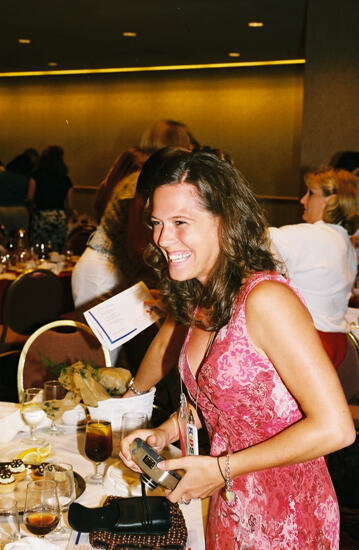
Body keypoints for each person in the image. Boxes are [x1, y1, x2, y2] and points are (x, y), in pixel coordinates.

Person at [119, 149, 355, 549]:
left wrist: (221, 468)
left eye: (180, 222)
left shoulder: (266, 300)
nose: (161, 238)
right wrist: (163, 432)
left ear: (226, 220)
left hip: (288, 513)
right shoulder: (201, 296)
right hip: (230, 502)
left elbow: (336, 428)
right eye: (157, 223)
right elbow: (217, 401)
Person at [269, 168, 359, 374]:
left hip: (311, 342)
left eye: (311, 193)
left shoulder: (312, 236)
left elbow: (250, 241)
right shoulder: (345, 242)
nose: (303, 200)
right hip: (337, 342)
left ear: (331, 201)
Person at [30, 146, 73, 251]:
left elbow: (30, 198)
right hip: (59, 216)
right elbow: (70, 205)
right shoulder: (65, 179)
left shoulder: (36, 176)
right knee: (57, 251)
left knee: (38, 250)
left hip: (41, 216)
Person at [0, 153, 36, 234]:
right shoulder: (28, 180)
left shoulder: (2, 175)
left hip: (1, 209)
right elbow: (30, 198)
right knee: (19, 238)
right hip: (20, 211)